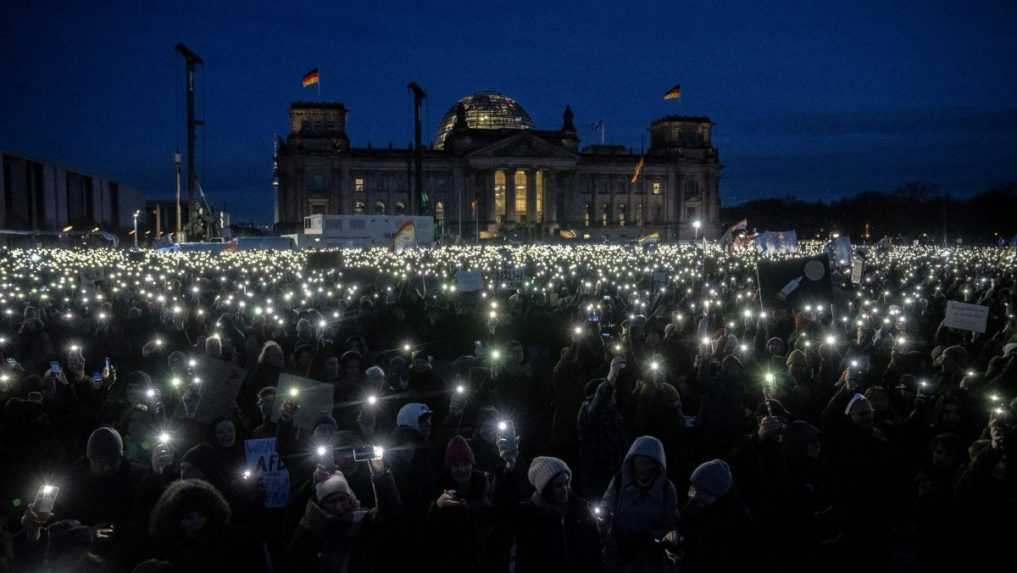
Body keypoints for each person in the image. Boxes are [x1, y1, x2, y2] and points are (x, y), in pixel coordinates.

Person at [285, 457, 401, 573]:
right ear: (321, 504)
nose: (339, 507)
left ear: (349, 499)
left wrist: (380, 476)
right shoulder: (312, 528)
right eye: (332, 501)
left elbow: (389, 512)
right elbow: (295, 559)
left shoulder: (361, 522)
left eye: (342, 499)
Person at [497, 456, 603, 573]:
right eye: (558, 485)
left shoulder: (580, 508)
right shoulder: (529, 513)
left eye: (567, 483)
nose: (565, 489)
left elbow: (594, 549)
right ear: (546, 488)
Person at [601, 435, 680, 572]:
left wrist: (652, 539)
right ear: (632, 462)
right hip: (619, 550)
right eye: (640, 462)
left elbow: (671, 522)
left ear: (656, 465)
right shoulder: (619, 481)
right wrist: (604, 518)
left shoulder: (667, 489)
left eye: (648, 463)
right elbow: (607, 504)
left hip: (650, 555)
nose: (643, 467)